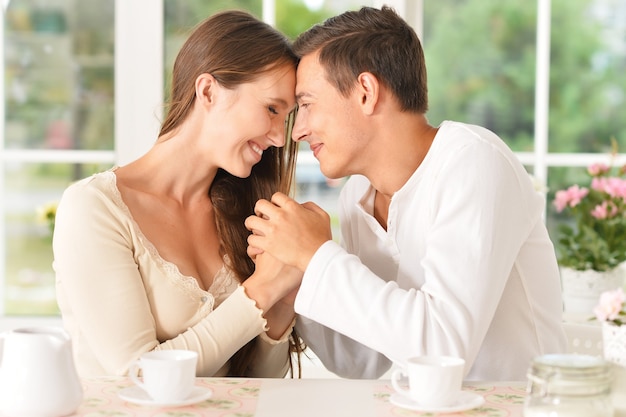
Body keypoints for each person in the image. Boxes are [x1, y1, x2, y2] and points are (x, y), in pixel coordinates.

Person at [245, 5, 567, 381]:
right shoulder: (358, 196)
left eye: (306, 105)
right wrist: (297, 277)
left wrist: (315, 255)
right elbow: (361, 360)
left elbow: (444, 351)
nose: (296, 131)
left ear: (366, 92)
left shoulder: (473, 162)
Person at [53, 10, 304, 378]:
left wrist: (283, 303)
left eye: (287, 118)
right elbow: (139, 375)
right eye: (271, 109)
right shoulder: (95, 209)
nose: (280, 138)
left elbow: (256, 386)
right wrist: (262, 290)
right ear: (208, 92)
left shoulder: (246, 213)